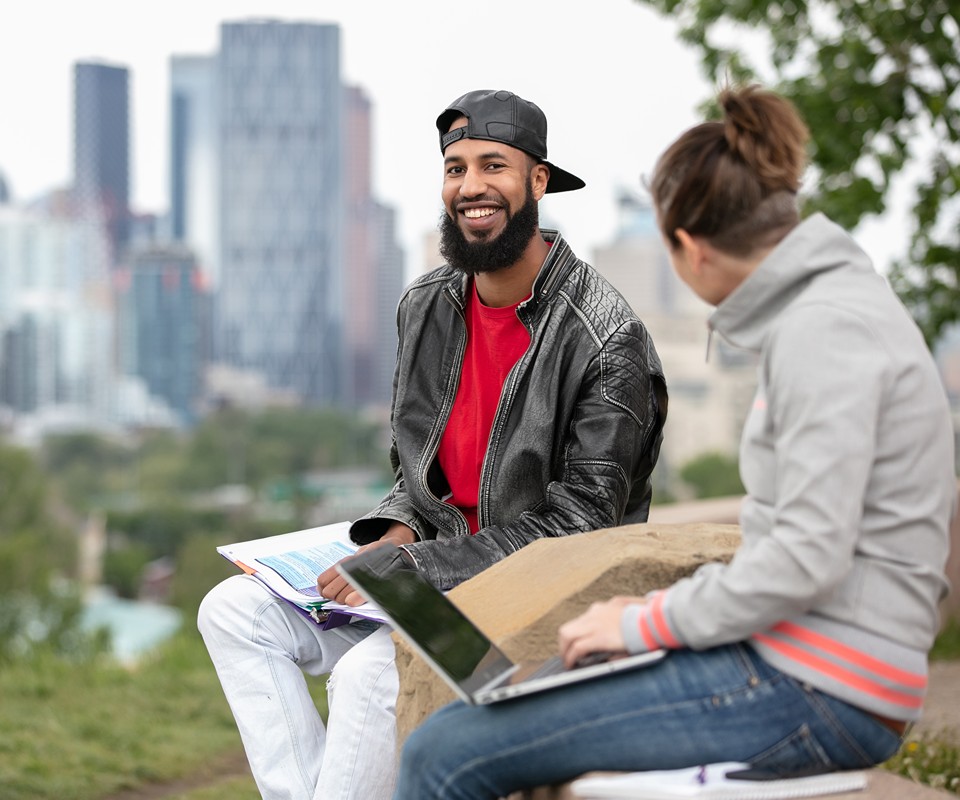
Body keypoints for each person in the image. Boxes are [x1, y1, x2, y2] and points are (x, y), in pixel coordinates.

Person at [392, 84, 957, 800]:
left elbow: (806, 557)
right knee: (523, 689)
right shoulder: (835, 308)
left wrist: (642, 621)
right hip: (804, 659)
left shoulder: (826, 333)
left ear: (689, 248)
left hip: (823, 686)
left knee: (446, 753)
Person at [197, 88, 667, 800]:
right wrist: (396, 528)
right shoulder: (426, 305)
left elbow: (580, 533)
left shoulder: (607, 339)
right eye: (455, 168)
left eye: (494, 165)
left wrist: (413, 565)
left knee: (366, 673)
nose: (471, 187)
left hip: (536, 611)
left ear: (538, 180)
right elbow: (413, 469)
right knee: (232, 612)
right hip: (426, 586)